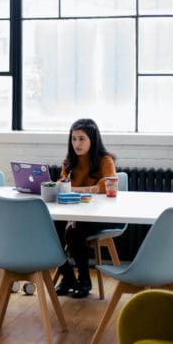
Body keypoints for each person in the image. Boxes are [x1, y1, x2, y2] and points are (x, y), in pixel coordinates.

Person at [55, 118, 118, 299]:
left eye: (82, 138)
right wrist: (89, 189)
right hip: (73, 212)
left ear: (93, 139)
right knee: (50, 228)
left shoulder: (105, 160)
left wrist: (76, 189)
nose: (77, 143)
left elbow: (108, 186)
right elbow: (62, 186)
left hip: (100, 215)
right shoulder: (69, 163)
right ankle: (67, 276)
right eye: (74, 139)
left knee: (73, 231)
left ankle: (84, 280)